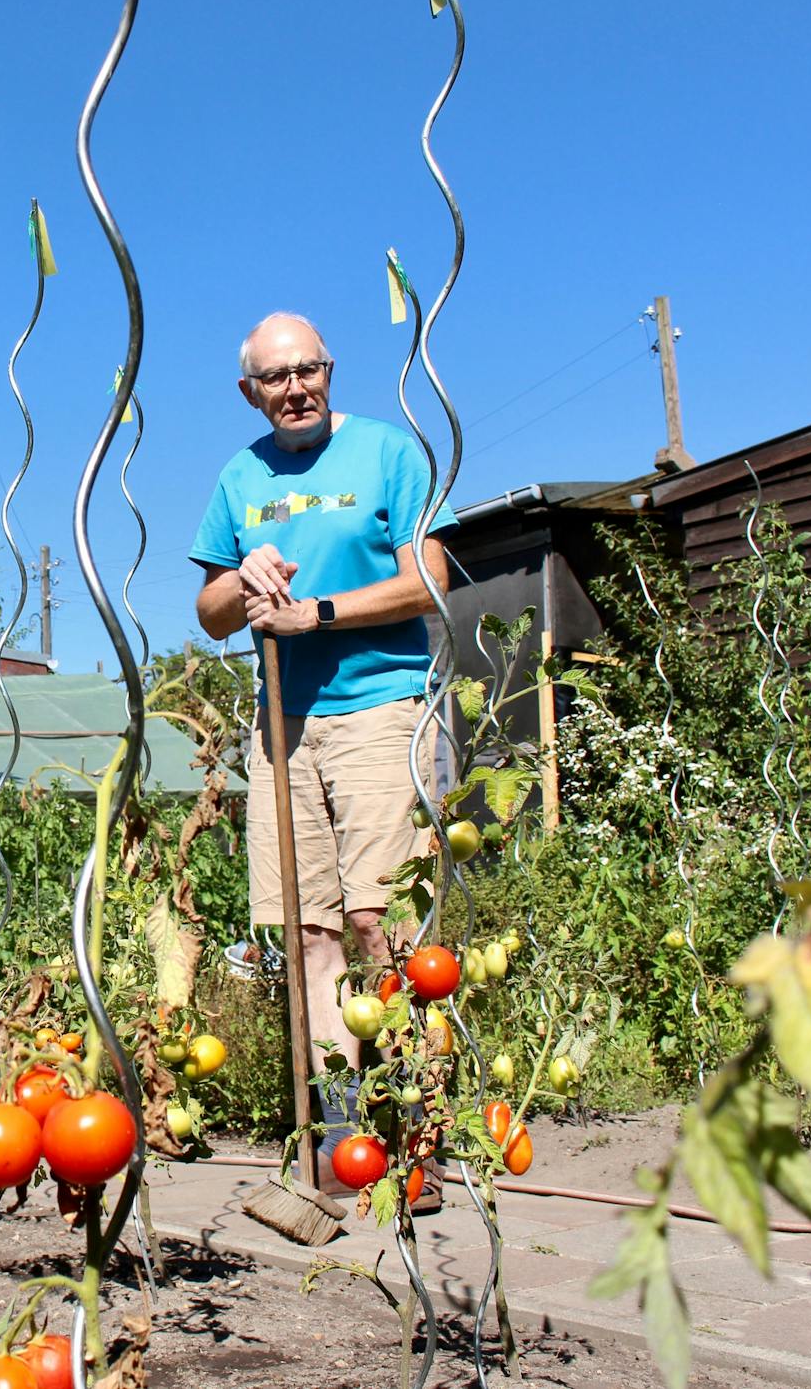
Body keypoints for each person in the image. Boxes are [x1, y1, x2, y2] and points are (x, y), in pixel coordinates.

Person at [189, 311, 455, 1197]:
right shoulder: (240, 477)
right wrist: (244, 577)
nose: (295, 388)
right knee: (306, 931)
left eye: (309, 370)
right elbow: (211, 611)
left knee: (382, 922)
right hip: (283, 724)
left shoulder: (387, 453)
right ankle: (341, 1133)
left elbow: (432, 578)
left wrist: (322, 613)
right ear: (250, 392)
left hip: (382, 709)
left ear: (330, 371)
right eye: (276, 377)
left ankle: (417, 1121)